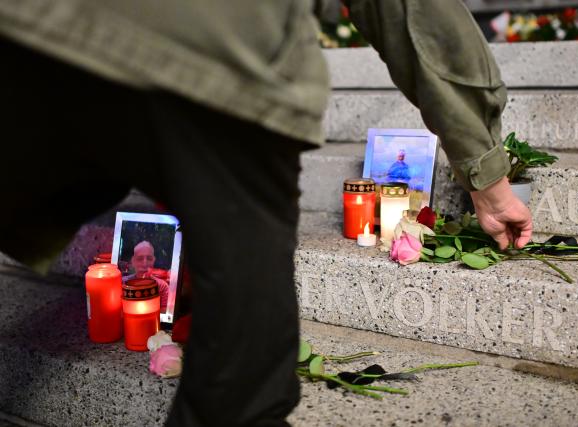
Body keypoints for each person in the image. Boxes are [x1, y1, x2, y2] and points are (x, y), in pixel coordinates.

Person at [0, 1, 532, 425]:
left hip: (29, 35)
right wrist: (484, 169)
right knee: (243, 380)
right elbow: (414, 13)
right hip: (221, 56)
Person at [124, 241, 170, 312]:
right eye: (140, 258)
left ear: (153, 260)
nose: (145, 263)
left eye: (149, 258)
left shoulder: (162, 286)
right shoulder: (122, 283)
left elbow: (163, 316)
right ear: (133, 261)